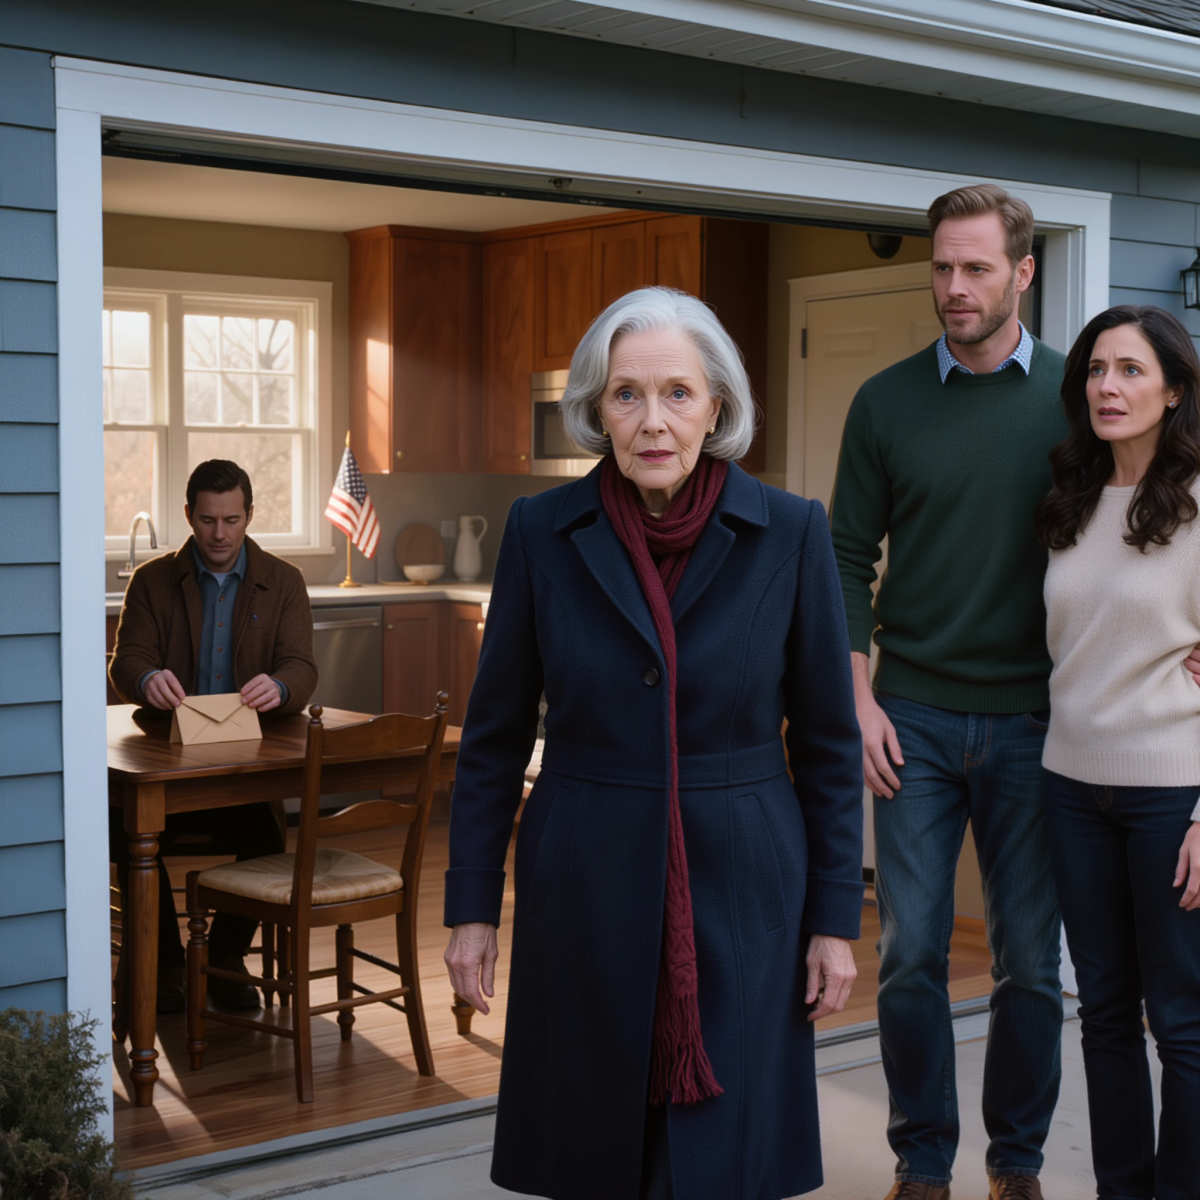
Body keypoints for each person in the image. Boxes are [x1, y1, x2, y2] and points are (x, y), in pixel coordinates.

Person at [443, 287, 864, 1200]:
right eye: (627, 395)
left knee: (722, 1153)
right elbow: (493, 738)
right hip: (583, 870)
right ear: (598, 409)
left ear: (718, 405)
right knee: (595, 1143)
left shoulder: (791, 532)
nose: (653, 420)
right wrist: (471, 906)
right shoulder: (540, 531)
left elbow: (831, 746)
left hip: (745, 878)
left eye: (677, 392)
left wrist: (835, 921)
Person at [830, 184, 1067, 1200]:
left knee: (1026, 963)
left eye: (977, 267)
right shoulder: (884, 402)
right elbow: (842, 558)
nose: (955, 287)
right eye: (942, 267)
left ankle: (1016, 1164)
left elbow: (1145, 535)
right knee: (911, 954)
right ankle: (921, 1162)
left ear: (1022, 272)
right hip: (911, 719)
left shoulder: (1078, 396)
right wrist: (857, 699)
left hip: (1038, 723)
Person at [1034, 305, 1200, 1200]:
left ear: (1174, 391)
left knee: (1181, 1020)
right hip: (1071, 785)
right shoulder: (1069, 497)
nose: (1109, 386)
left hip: (1173, 793)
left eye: (1132, 371)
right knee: (1101, 1014)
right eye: (1098, 370)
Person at [109, 459, 317, 1012]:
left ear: (249, 515)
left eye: (231, 520)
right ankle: (168, 968)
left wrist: (281, 686)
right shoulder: (152, 580)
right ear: (188, 515)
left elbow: (302, 666)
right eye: (206, 520)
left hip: (246, 762)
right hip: (164, 760)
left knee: (268, 837)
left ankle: (223, 961)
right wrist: (147, 679)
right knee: (130, 841)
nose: (219, 534)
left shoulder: (285, 581)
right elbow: (125, 662)